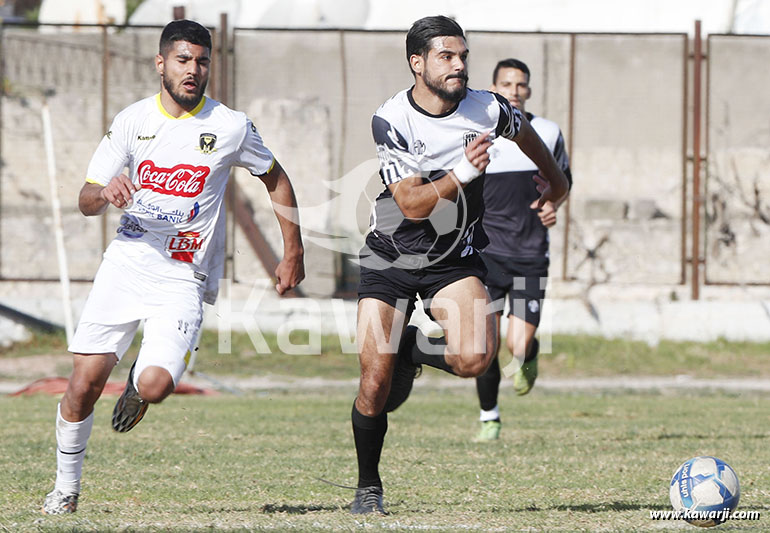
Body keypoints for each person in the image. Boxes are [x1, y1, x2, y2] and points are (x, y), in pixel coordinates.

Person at [42, 19, 305, 515]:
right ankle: (65, 489)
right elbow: (85, 199)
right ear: (160, 63)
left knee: (158, 387)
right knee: (82, 386)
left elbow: (276, 178)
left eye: (202, 61)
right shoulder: (131, 121)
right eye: (183, 60)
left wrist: (293, 252)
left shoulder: (229, 125)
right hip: (126, 263)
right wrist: (105, 192)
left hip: (183, 274)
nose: (194, 70)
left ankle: (141, 378)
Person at [350, 16, 570, 514]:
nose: (458, 65)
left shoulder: (488, 108)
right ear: (417, 63)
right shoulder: (391, 119)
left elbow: (529, 137)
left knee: (475, 359)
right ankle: (368, 486)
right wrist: (466, 170)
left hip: (454, 259)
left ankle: (411, 349)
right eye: (446, 56)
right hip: (392, 257)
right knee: (373, 382)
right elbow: (412, 204)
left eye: (463, 55)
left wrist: (557, 186)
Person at [473, 59, 572, 442]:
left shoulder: (546, 132)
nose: (515, 90)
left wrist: (553, 205)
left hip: (530, 254)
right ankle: (489, 418)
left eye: (521, 84)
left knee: (517, 343)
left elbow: (563, 181)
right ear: (495, 87)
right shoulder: (478, 133)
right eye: (507, 83)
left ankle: (528, 357)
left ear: (529, 90)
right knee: (485, 344)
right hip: (485, 255)